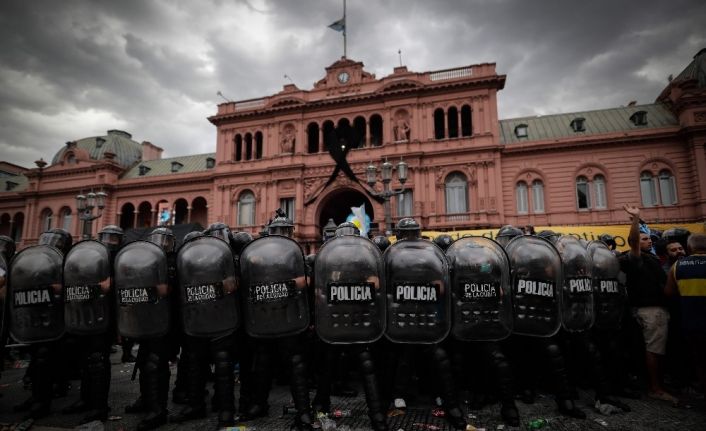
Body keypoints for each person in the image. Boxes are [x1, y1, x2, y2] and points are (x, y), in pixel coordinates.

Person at [621, 204, 677, 404]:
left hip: (657, 311)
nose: (648, 240)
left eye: (650, 238)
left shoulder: (651, 257)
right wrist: (635, 220)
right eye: (644, 239)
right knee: (654, 349)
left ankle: (657, 383)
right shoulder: (636, 258)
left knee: (657, 349)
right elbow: (634, 240)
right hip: (650, 312)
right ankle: (655, 388)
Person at [665, 233, 706, 400]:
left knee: (701, 361)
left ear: (689, 248)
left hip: (692, 322)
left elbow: (668, 292)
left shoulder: (678, 266)